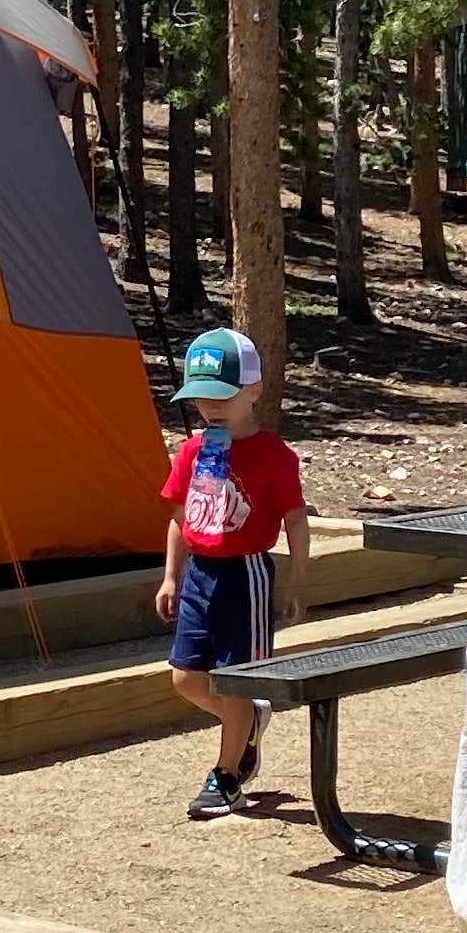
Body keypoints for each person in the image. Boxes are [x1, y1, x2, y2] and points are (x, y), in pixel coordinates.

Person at [154, 326, 309, 823]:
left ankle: (226, 777)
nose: (211, 406)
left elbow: (296, 521)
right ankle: (247, 724)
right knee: (185, 678)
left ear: (255, 391)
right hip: (200, 572)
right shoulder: (193, 452)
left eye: (224, 394)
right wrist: (171, 577)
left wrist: (297, 581)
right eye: (200, 396)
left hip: (246, 575)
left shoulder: (274, 457)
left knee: (234, 683)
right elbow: (181, 516)